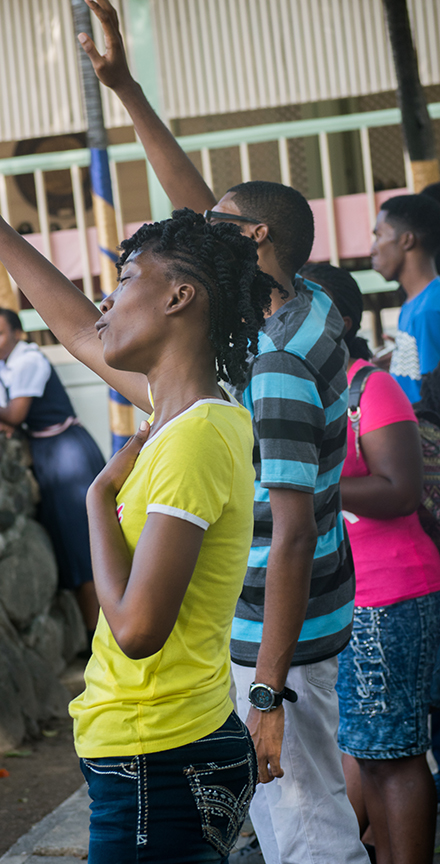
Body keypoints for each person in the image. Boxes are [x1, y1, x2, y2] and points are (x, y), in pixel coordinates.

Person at [0, 106, 277, 863]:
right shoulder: (187, 410)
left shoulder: (190, 436)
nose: (105, 302)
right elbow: (72, 324)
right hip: (159, 746)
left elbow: (135, 627)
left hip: (157, 755)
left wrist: (96, 498)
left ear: (179, 298)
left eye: (124, 280)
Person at [72, 4, 368, 863]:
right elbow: (195, 209)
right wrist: (127, 90)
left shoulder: (271, 360)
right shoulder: (304, 302)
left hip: (285, 639)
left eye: (218, 223)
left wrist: (267, 691)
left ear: (251, 240)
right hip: (310, 620)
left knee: (309, 836)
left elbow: (290, 533)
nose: (200, 224)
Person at [301, 262, 440, 864]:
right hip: (351, 598)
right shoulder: (307, 390)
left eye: (306, 308)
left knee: (396, 755)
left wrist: (306, 488)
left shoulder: (370, 387)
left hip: (392, 595)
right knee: (373, 752)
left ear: (344, 322)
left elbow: (399, 491)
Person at [0, 306, 105, 639]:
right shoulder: (4, 369)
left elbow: (15, 412)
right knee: (67, 543)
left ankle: (103, 636)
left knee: (84, 541)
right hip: (46, 455)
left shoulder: (28, 360)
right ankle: (93, 634)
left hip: (67, 454)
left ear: (18, 334)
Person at [370, 194, 440, 402]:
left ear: (407, 240)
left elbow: (432, 399)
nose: (372, 249)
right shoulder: (414, 304)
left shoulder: (430, 309)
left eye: (379, 236)